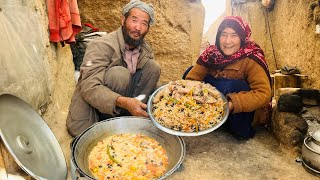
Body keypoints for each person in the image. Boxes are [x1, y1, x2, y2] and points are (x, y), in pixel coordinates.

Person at [66, 0, 160, 137]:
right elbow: (89, 86)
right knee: (119, 74)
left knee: (153, 68)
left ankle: (131, 118)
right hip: (92, 111)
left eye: (144, 23)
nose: (138, 27)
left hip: (122, 105)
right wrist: (124, 102)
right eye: (134, 20)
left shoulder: (144, 50)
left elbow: (146, 82)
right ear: (123, 20)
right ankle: (108, 123)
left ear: (148, 29)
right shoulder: (101, 45)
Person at [183, 16, 271, 140]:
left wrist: (232, 104)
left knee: (233, 86)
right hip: (211, 106)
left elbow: (264, 94)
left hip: (238, 114)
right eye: (224, 35)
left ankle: (233, 128)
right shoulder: (211, 54)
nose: (227, 41)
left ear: (242, 37)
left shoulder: (251, 58)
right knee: (189, 72)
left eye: (234, 35)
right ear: (218, 36)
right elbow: (192, 77)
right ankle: (204, 118)